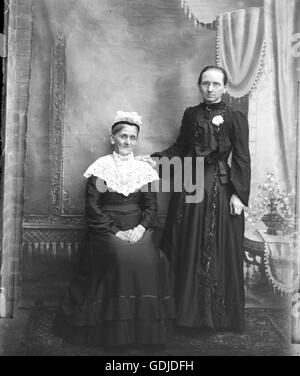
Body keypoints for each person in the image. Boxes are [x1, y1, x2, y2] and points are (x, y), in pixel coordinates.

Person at [52, 111, 175, 348]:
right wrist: (116, 231)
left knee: (146, 256)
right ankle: (114, 332)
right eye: (123, 136)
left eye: (132, 137)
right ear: (113, 138)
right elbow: (93, 207)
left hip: (138, 225)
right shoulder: (101, 167)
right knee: (120, 255)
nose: (128, 142)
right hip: (107, 227)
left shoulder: (143, 170)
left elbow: (151, 208)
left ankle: (143, 332)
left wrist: (140, 228)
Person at [149, 66, 251, 332]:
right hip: (189, 183)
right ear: (199, 86)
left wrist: (239, 195)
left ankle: (215, 316)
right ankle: (186, 314)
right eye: (205, 83)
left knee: (214, 244)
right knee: (186, 240)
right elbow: (181, 148)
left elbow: (241, 157)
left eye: (216, 84)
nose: (210, 89)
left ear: (225, 87)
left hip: (219, 184)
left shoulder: (234, 116)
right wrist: (157, 158)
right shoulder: (191, 114)